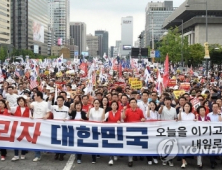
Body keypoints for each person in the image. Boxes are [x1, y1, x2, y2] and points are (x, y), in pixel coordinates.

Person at [122, 98, 145, 167]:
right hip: (129, 130)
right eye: (131, 102)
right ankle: (130, 160)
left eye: (134, 102)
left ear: (136, 103)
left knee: (138, 143)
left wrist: (143, 119)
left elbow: (143, 118)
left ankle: (139, 155)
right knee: (130, 145)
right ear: (129, 104)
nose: (133, 103)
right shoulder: (127, 110)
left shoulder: (140, 111)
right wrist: (123, 111)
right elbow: (123, 118)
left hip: (138, 130)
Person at [28, 91, 50, 162]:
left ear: (39, 96)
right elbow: (29, 107)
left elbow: (48, 113)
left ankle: (45, 149)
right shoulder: (34, 103)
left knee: (43, 138)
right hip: (35, 124)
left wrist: (46, 116)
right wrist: (27, 102)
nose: (34, 97)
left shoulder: (46, 104)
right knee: (35, 139)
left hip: (43, 124)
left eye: (35, 96)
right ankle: (37, 155)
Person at [7, 97, 31, 161]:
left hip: (25, 127)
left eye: (22, 101)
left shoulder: (28, 109)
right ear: (18, 102)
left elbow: (30, 117)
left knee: (23, 141)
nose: (20, 102)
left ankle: (23, 154)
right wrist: (7, 104)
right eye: (19, 101)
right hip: (16, 127)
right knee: (16, 141)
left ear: (24, 102)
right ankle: (16, 155)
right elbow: (9, 109)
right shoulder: (16, 108)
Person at [48, 95, 70, 161]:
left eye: (61, 100)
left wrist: (66, 119)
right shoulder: (54, 107)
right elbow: (48, 107)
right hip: (55, 126)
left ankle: (62, 154)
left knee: (62, 141)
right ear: (56, 101)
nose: (59, 102)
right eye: (58, 100)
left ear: (63, 101)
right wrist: (49, 100)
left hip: (63, 127)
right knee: (56, 141)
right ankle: (56, 154)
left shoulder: (66, 108)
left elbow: (69, 117)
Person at [178, 102, 195, 168]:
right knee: (183, 147)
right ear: (183, 107)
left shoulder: (192, 115)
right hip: (182, 132)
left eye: (188, 106)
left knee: (188, 147)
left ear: (190, 107)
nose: (187, 107)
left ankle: (186, 160)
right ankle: (183, 162)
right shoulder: (181, 113)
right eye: (185, 106)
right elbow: (179, 120)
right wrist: (179, 112)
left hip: (190, 133)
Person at [87, 99, 104, 164]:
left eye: (97, 103)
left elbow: (103, 119)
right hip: (93, 128)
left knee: (99, 142)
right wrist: (88, 110)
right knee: (93, 143)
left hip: (100, 128)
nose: (96, 104)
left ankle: (98, 153)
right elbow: (88, 117)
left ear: (99, 104)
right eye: (95, 103)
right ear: (93, 104)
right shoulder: (91, 109)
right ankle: (93, 158)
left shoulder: (102, 110)